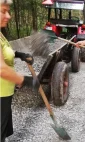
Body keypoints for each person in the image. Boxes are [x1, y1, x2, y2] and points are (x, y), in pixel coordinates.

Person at [0, 1, 39, 141]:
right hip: (0, 93)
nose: (8, 16)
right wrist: (26, 80)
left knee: (3, 129)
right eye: (3, 11)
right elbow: (1, 69)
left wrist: (21, 55)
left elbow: (6, 52)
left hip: (5, 92)